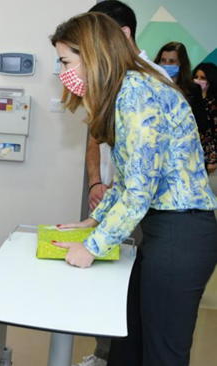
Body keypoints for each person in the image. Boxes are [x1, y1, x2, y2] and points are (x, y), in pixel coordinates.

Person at [50, 12, 217, 366]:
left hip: (181, 233)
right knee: (129, 340)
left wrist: (91, 248)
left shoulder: (138, 93)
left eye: (66, 61)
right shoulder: (129, 91)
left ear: (92, 55)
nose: (63, 71)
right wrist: (94, 222)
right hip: (165, 231)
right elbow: (127, 180)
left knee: (161, 354)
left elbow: (139, 191)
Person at [74, 2, 170, 364]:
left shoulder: (144, 83)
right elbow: (101, 141)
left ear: (121, 35)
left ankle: (107, 353)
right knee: (120, 294)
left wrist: (94, 239)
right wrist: (97, 191)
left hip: (156, 215)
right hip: (120, 198)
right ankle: (106, 354)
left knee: (146, 318)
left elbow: (141, 186)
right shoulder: (117, 82)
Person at [85, 0, 171, 213]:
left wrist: (114, 192)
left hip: (137, 200)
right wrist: (95, 183)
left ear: (124, 33)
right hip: (106, 193)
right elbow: (95, 137)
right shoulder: (110, 79)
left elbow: (142, 156)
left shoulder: (150, 80)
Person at [154, 42, 208, 136]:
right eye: (163, 60)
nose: (166, 65)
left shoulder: (193, 89)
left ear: (181, 63)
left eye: (172, 61)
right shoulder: (150, 86)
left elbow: (202, 124)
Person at [193, 62, 217, 174]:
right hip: (190, 152)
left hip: (207, 156)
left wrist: (212, 159)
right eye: (196, 77)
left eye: (202, 78)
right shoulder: (190, 99)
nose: (198, 80)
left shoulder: (213, 103)